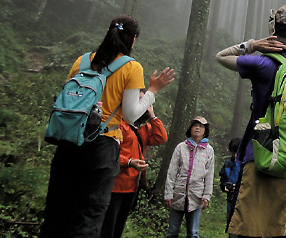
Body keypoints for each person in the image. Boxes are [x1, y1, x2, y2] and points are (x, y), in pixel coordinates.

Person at [39, 14, 176, 238]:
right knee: (89, 216)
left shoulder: (82, 61)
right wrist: (153, 90)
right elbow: (131, 116)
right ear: (133, 40)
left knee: (56, 212)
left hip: (68, 141)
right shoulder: (131, 67)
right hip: (101, 147)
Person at [216, 5, 286, 238]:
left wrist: (253, 45)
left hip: (262, 158)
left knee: (252, 230)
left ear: (273, 32)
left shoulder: (263, 65)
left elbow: (221, 56)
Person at [100, 95, 168, 238]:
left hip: (132, 187)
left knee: (119, 225)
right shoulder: (118, 124)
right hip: (114, 185)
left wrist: (153, 117)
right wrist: (129, 162)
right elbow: (108, 154)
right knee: (107, 227)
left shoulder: (143, 128)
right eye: (139, 99)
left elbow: (161, 138)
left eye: (145, 100)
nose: (143, 103)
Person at [164, 116, 215, 238]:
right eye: (195, 125)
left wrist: (206, 196)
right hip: (178, 194)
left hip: (196, 196)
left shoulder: (209, 150)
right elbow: (172, 172)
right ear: (190, 128)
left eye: (201, 126)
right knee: (172, 231)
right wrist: (168, 194)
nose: (197, 128)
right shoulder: (181, 147)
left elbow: (209, 175)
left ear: (205, 130)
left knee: (193, 233)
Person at [219, 138, 242, 227]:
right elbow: (223, 179)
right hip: (231, 200)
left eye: (238, 152)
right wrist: (225, 186)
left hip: (244, 201)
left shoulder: (247, 164)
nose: (236, 155)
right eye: (233, 153)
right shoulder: (228, 164)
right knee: (231, 226)